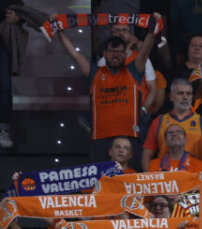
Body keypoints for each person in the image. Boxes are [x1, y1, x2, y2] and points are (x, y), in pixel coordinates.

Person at [58, 23, 157, 163]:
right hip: (101, 137)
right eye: (112, 52)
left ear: (125, 54)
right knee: (101, 180)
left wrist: (152, 29)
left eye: (119, 52)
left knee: (129, 179)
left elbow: (146, 49)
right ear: (105, 54)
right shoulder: (94, 73)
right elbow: (74, 53)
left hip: (129, 136)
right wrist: (59, 31)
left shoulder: (133, 71)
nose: (115, 55)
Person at [143, 78, 202, 170]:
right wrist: (150, 181)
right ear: (171, 96)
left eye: (188, 94)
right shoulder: (159, 122)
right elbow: (146, 154)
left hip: (193, 178)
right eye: (180, 93)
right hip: (165, 179)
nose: (185, 97)